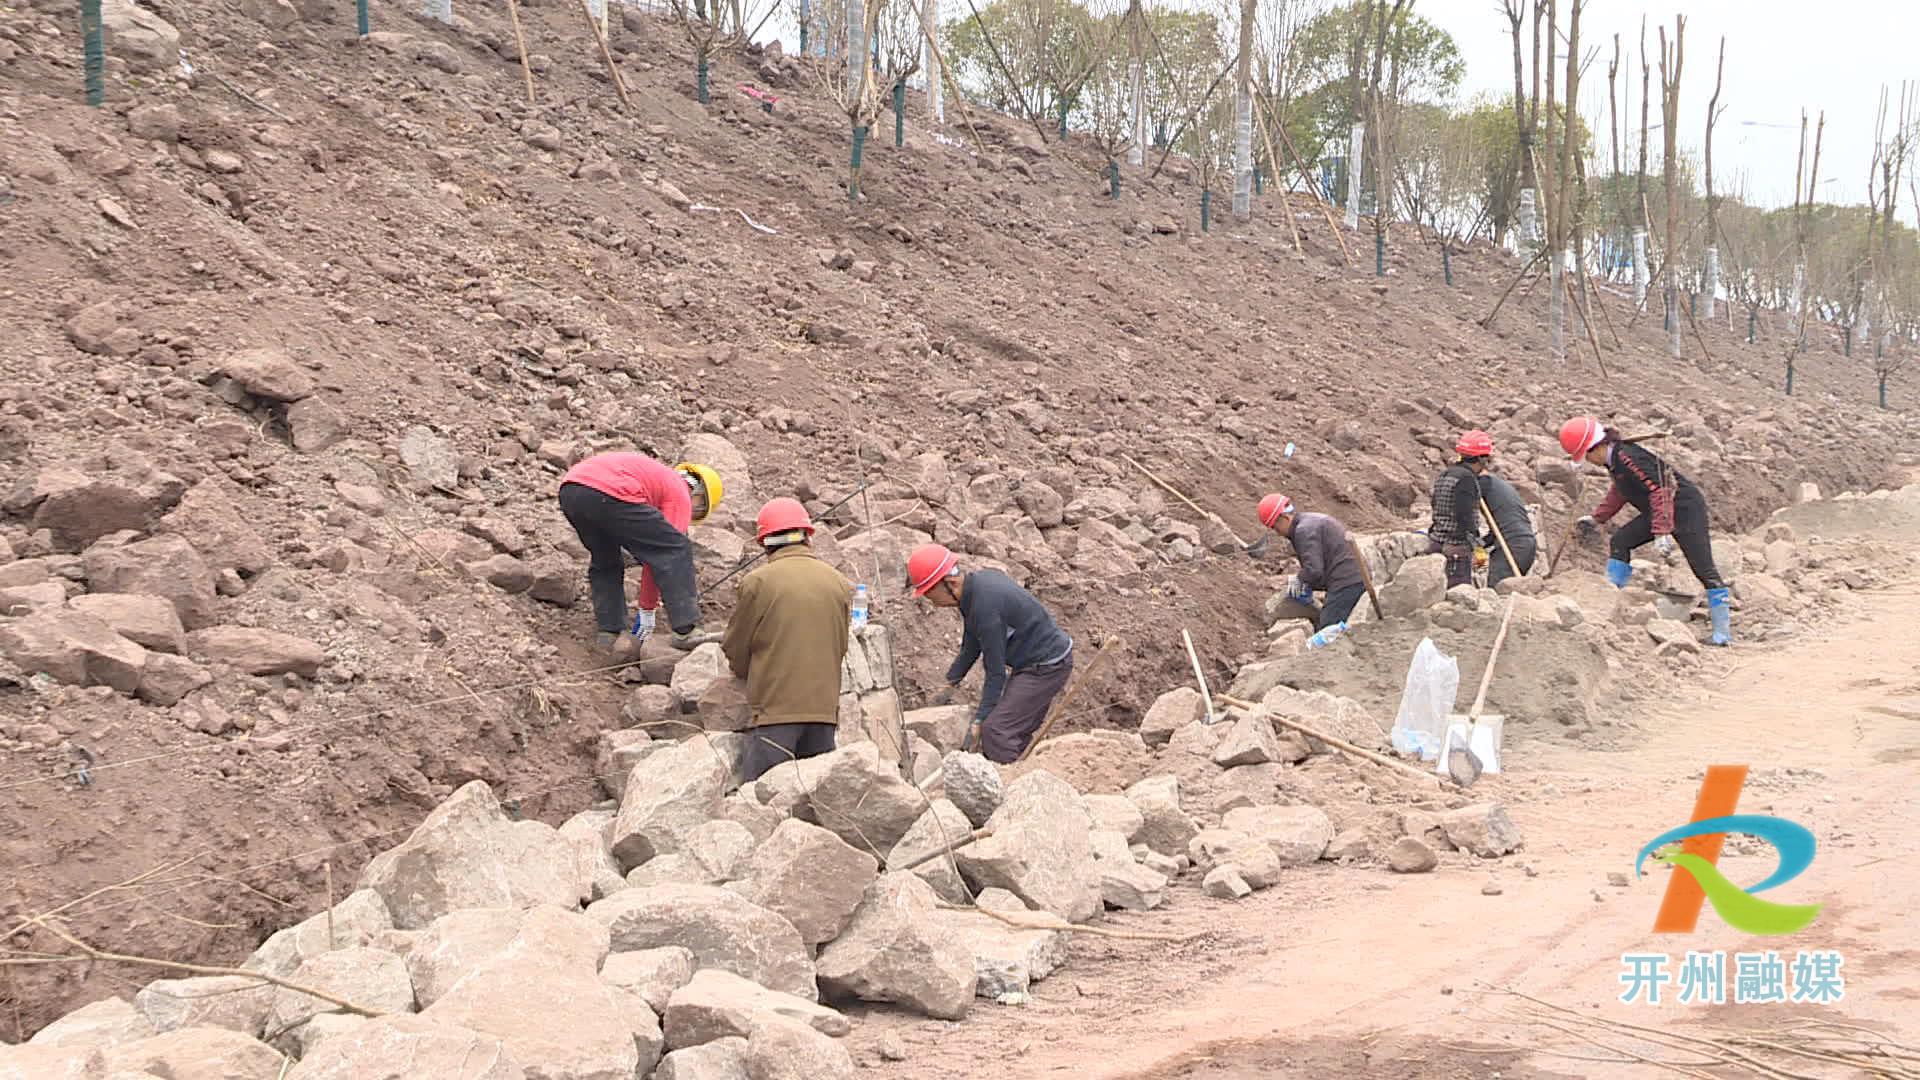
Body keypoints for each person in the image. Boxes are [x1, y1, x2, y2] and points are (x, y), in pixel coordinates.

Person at [1560, 416, 1731, 646]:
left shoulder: (1628, 457)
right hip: (1660, 511)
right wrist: (1597, 518)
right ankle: (1609, 599)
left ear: (1596, 447)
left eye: (1587, 456)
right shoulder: (1615, 462)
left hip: (1685, 508)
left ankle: (1722, 633)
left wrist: (1661, 532)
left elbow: (1661, 490)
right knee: (1621, 540)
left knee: (1703, 568)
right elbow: (1621, 491)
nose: (1589, 461)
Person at [722, 498, 852, 782]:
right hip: (824, 713)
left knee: (760, 800)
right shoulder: (838, 582)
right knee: (817, 801)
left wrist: (746, 673)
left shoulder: (758, 582)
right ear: (807, 537)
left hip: (775, 713)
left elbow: (736, 646)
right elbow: (841, 646)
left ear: (765, 542)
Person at [908, 543, 1072, 764]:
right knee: (1012, 730)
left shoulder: (986, 607)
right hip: (1034, 662)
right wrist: (950, 682)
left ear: (950, 583)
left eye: (930, 593)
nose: (932, 601)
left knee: (997, 732)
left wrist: (979, 722)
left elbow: (995, 673)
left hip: (1047, 667)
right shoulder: (976, 588)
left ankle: (1013, 786)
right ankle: (1020, 767)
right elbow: (971, 643)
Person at [557, 451, 722, 653]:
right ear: (698, 494)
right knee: (675, 547)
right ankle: (686, 630)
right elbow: (663, 557)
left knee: (605, 559)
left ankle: (610, 632)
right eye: (699, 509)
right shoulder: (679, 491)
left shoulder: (656, 476)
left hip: (571, 490)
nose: (692, 514)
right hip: (609, 491)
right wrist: (647, 610)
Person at [1254, 494, 1368, 630]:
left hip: (1347, 582)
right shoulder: (1309, 522)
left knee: (1327, 633)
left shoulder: (1304, 531)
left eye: (1275, 528)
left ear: (1284, 518)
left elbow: (1314, 570)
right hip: (1354, 577)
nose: (1278, 533)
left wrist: (1299, 579)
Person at [1428, 431, 1488, 589]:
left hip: (1436, 543)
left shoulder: (1445, 474)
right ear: (1481, 458)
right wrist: (1477, 545)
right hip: (1455, 549)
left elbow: (1434, 504)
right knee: (1457, 598)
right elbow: (1465, 516)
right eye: (1487, 458)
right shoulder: (1467, 479)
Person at [1478, 469, 1538, 587]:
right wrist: (1479, 544)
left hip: (1512, 546)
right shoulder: (1500, 487)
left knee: (1497, 590)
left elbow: (1469, 520)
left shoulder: (1484, 483)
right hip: (1527, 545)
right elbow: (1496, 531)